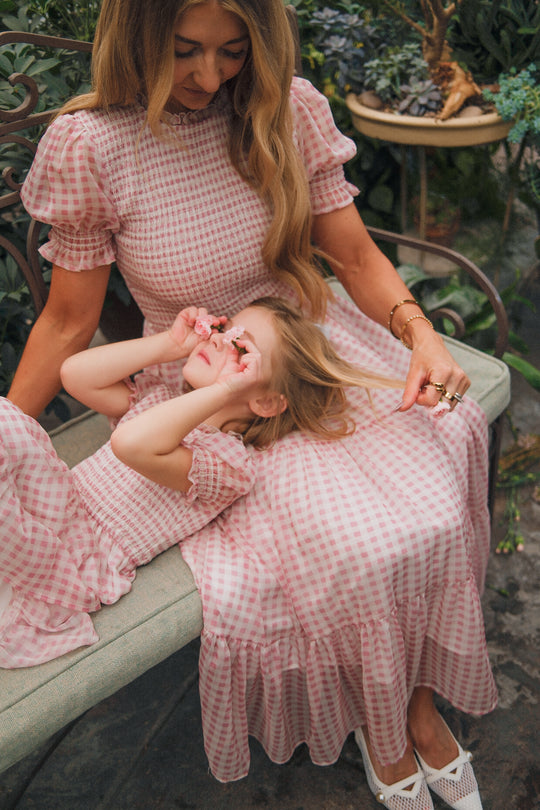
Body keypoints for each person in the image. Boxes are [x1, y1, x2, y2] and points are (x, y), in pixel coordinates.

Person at [8, 0, 496, 807]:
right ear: (138, 38)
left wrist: (421, 336)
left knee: (438, 487)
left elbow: (353, 254)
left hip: (309, 347)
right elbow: (67, 322)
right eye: (186, 52)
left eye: (233, 52)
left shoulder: (286, 107)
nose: (210, 77)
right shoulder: (92, 144)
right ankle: (387, 729)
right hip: (208, 388)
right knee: (360, 544)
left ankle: (418, 711)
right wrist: (12, 447)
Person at [1, 295, 397, 667]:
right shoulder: (161, 402)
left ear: (265, 401)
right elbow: (74, 374)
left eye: (242, 350)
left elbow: (130, 443)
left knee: (8, 425)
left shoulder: (226, 464)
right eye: (227, 330)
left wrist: (227, 387)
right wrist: (170, 345)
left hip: (73, 556)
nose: (222, 342)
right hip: (46, 516)